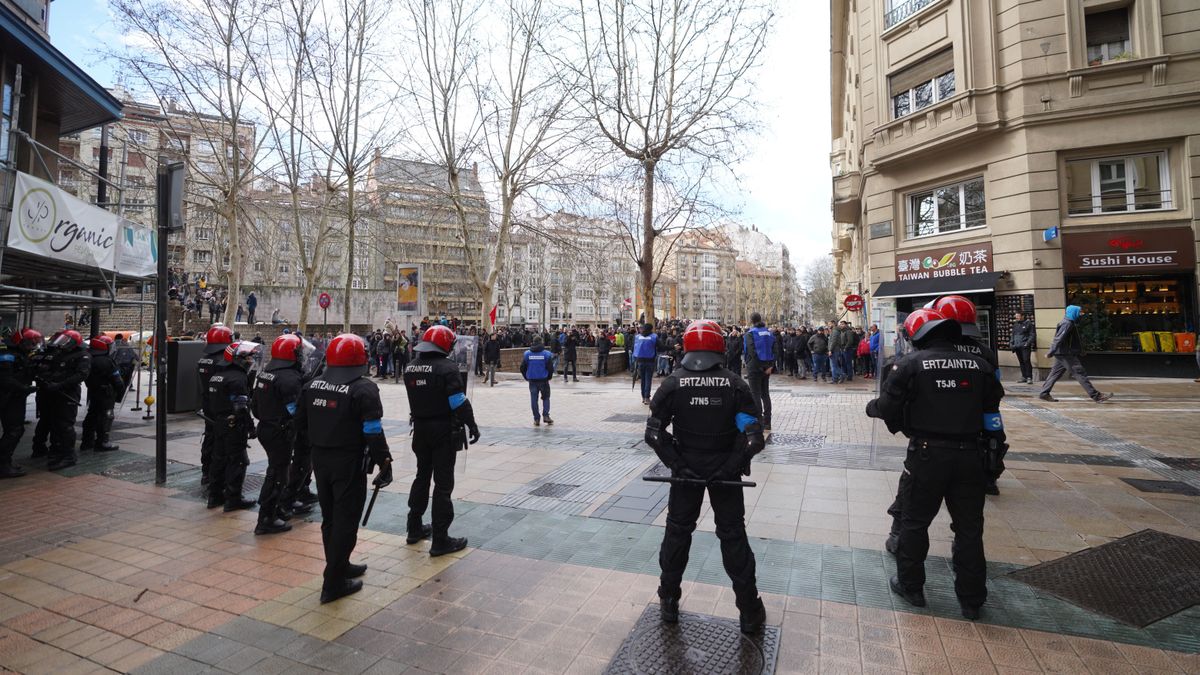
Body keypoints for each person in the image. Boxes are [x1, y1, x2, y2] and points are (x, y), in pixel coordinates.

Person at [867, 308, 1005, 621]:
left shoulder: (910, 365)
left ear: (918, 336)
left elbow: (887, 407)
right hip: (970, 455)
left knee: (915, 522)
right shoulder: (980, 365)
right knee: (969, 529)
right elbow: (993, 417)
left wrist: (872, 408)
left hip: (927, 455)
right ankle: (972, 600)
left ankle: (911, 586)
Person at [644, 320, 768, 634]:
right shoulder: (734, 384)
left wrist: (677, 464)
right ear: (719, 346)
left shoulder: (672, 383)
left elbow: (654, 434)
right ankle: (749, 610)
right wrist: (730, 465)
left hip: (686, 472)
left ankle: (669, 600)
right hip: (724, 474)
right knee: (733, 536)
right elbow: (753, 437)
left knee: (677, 533)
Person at [295, 334, 391, 603]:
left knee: (331, 518)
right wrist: (385, 462)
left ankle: (339, 563)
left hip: (320, 460)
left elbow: (300, 422)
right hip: (348, 463)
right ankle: (333, 582)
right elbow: (373, 432)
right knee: (346, 521)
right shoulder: (364, 389)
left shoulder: (312, 385)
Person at [403, 326, 480, 557]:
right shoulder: (447, 368)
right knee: (443, 485)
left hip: (420, 430)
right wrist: (472, 425)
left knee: (422, 477)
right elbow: (457, 401)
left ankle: (414, 527)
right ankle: (440, 539)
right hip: (443, 431)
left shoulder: (411, 367)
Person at [251, 335, 314, 535]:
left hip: (267, 427)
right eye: (298, 352)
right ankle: (266, 518)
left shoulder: (267, 372)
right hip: (280, 431)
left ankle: (277, 508)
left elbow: (256, 407)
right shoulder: (289, 379)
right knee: (278, 475)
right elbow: (295, 410)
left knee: (277, 471)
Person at [205, 341, 260, 512]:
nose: (251, 360)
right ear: (238, 359)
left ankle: (214, 496)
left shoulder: (217, 375)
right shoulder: (238, 378)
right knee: (238, 461)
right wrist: (250, 427)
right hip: (233, 424)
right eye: (248, 356)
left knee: (218, 459)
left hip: (217, 422)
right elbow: (241, 407)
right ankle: (233, 498)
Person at [37, 331, 91, 471]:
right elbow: (49, 368)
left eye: (66, 340)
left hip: (68, 393)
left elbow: (81, 375)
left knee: (65, 425)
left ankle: (68, 456)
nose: (63, 343)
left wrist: (59, 384)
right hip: (54, 392)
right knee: (55, 423)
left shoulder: (82, 355)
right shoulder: (60, 353)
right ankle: (56, 452)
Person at [1039, 305, 1111, 403]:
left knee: (1054, 374)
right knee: (1079, 373)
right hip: (1066, 354)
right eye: (1079, 312)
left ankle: (1044, 393)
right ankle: (1096, 396)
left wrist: (1080, 350)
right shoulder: (1067, 323)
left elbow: (1072, 340)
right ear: (1073, 312)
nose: (1081, 314)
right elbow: (1058, 339)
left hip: (1063, 353)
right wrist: (1050, 352)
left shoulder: (1070, 322)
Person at [1, 328, 40, 478]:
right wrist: (24, 388)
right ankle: (3, 465)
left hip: (15, 397)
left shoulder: (18, 353)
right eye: (30, 343)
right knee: (13, 431)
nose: (32, 346)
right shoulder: (7, 354)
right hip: (9, 398)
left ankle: (6, 462)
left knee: (15, 430)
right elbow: (5, 379)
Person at [197, 325, 233, 488]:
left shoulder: (204, 358)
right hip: (222, 405)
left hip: (208, 403)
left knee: (209, 436)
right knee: (221, 440)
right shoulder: (222, 361)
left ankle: (206, 471)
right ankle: (217, 474)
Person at [80, 335, 126, 453]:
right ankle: (103, 442)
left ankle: (87, 441)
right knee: (106, 417)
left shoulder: (88, 357)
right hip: (106, 394)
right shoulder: (107, 361)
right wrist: (120, 392)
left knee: (92, 415)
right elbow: (117, 381)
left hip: (94, 392)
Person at [743, 313, 775, 431]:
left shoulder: (750, 333)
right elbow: (775, 350)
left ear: (751, 320)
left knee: (755, 394)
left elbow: (751, 351)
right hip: (767, 367)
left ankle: (759, 422)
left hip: (754, 366)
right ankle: (768, 422)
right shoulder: (769, 332)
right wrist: (770, 366)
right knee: (765, 394)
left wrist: (759, 366)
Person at [521, 336, 554, 426]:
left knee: (533, 400)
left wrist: (526, 377)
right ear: (541, 342)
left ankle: (536, 419)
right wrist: (549, 377)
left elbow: (522, 368)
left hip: (532, 380)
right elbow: (550, 368)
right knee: (546, 397)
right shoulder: (546, 354)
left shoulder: (527, 354)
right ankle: (546, 416)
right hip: (543, 380)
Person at [633, 323, 658, 405]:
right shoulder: (654, 337)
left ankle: (643, 397)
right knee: (648, 379)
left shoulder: (637, 337)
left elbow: (634, 348)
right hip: (650, 361)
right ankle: (647, 397)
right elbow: (661, 347)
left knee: (642, 380)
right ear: (651, 329)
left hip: (639, 361)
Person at [1010, 311, 1035, 384]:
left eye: (1018, 316)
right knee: (1021, 362)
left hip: (1025, 346)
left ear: (1022, 316)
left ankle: (1029, 377)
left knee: (1026, 361)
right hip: (1017, 347)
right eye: (1016, 316)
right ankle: (1024, 377)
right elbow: (1013, 335)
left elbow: (1032, 335)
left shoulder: (1028, 324)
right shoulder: (1015, 324)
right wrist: (1011, 343)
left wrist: (1027, 343)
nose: (1016, 317)